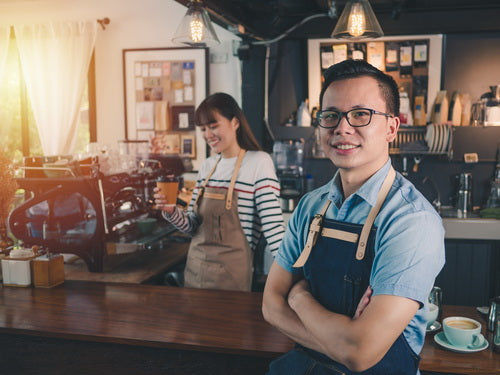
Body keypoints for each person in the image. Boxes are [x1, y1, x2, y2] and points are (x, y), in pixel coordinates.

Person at [262, 60, 445, 374]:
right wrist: (343, 343)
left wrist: (300, 296)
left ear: (391, 127)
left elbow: (361, 354)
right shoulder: (309, 206)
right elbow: (270, 306)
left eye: (361, 114)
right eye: (330, 115)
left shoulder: (411, 221)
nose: (342, 128)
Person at [155, 92, 285, 292]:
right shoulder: (208, 167)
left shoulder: (259, 163)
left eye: (213, 126)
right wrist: (171, 211)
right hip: (195, 273)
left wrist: (292, 277)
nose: (208, 135)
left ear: (235, 123)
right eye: (203, 129)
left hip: (232, 279)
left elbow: (274, 230)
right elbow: (192, 227)